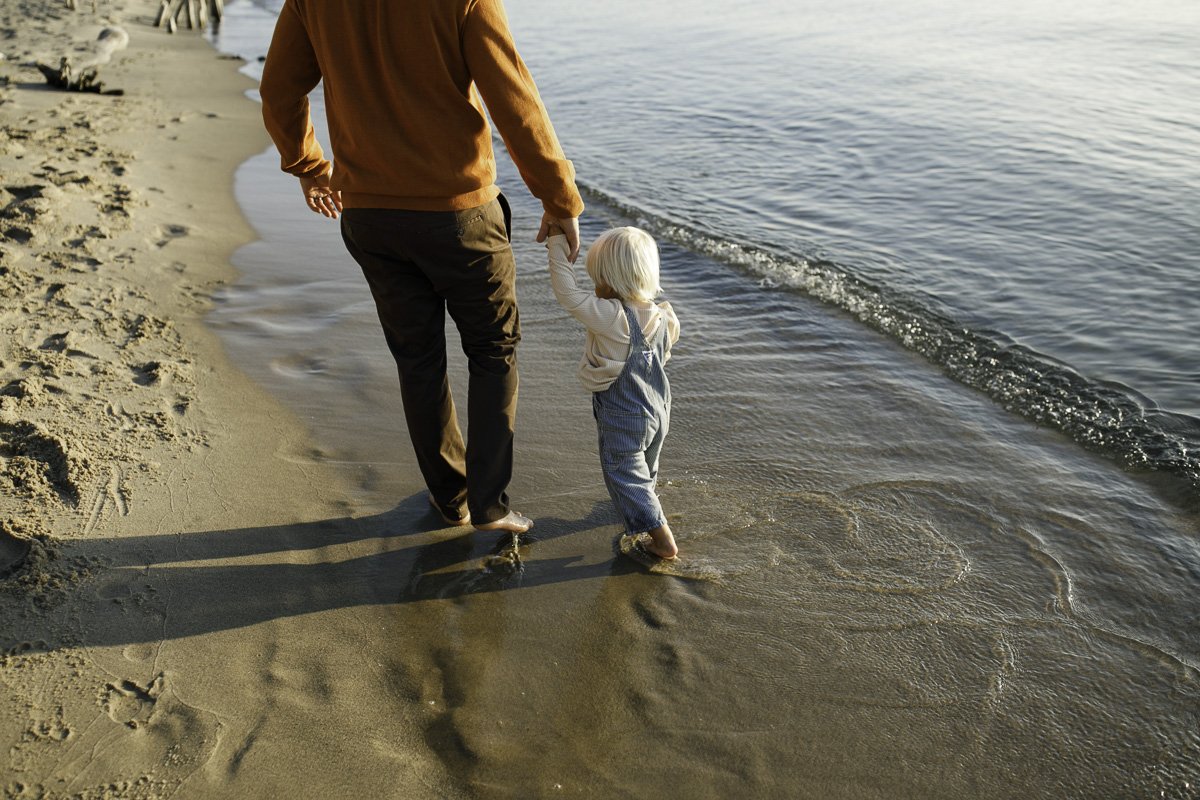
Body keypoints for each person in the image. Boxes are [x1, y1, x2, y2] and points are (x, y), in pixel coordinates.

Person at [259, 0, 585, 533]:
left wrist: (308, 166)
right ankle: (490, 505)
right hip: (459, 216)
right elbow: (515, 102)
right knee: (493, 350)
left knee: (418, 357)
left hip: (370, 216)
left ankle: (449, 498)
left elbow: (278, 91)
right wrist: (559, 198)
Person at [545, 225, 681, 559]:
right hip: (659, 408)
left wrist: (556, 242)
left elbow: (566, 293)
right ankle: (641, 501)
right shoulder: (664, 316)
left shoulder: (612, 317)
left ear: (610, 279)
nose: (594, 286)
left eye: (597, 279)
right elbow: (659, 358)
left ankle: (662, 538)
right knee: (645, 466)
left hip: (625, 415)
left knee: (623, 472)